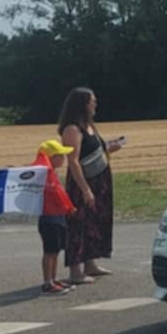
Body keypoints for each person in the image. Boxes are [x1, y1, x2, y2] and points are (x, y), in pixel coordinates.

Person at [59, 87, 124, 282]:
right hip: (82, 184)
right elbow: (73, 161)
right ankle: (76, 272)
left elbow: (93, 151)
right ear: (82, 104)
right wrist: (85, 189)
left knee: (94, 224)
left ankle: (91, 264)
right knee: (78, 225)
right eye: (92, 101)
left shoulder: (89, 126)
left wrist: (110, 148)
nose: (95, 104)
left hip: (100, 182)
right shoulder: (72, 129)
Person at [32, 138, 78, 295]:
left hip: (58, 216)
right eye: (60, 155)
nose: (63, 159)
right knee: (49, 251)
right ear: (51, 157)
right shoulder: (44, 174)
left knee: (56, 250)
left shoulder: (51, 173)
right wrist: (70, 207)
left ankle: (53, 279)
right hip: (49, 217)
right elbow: (57, 194)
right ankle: (47, 282)